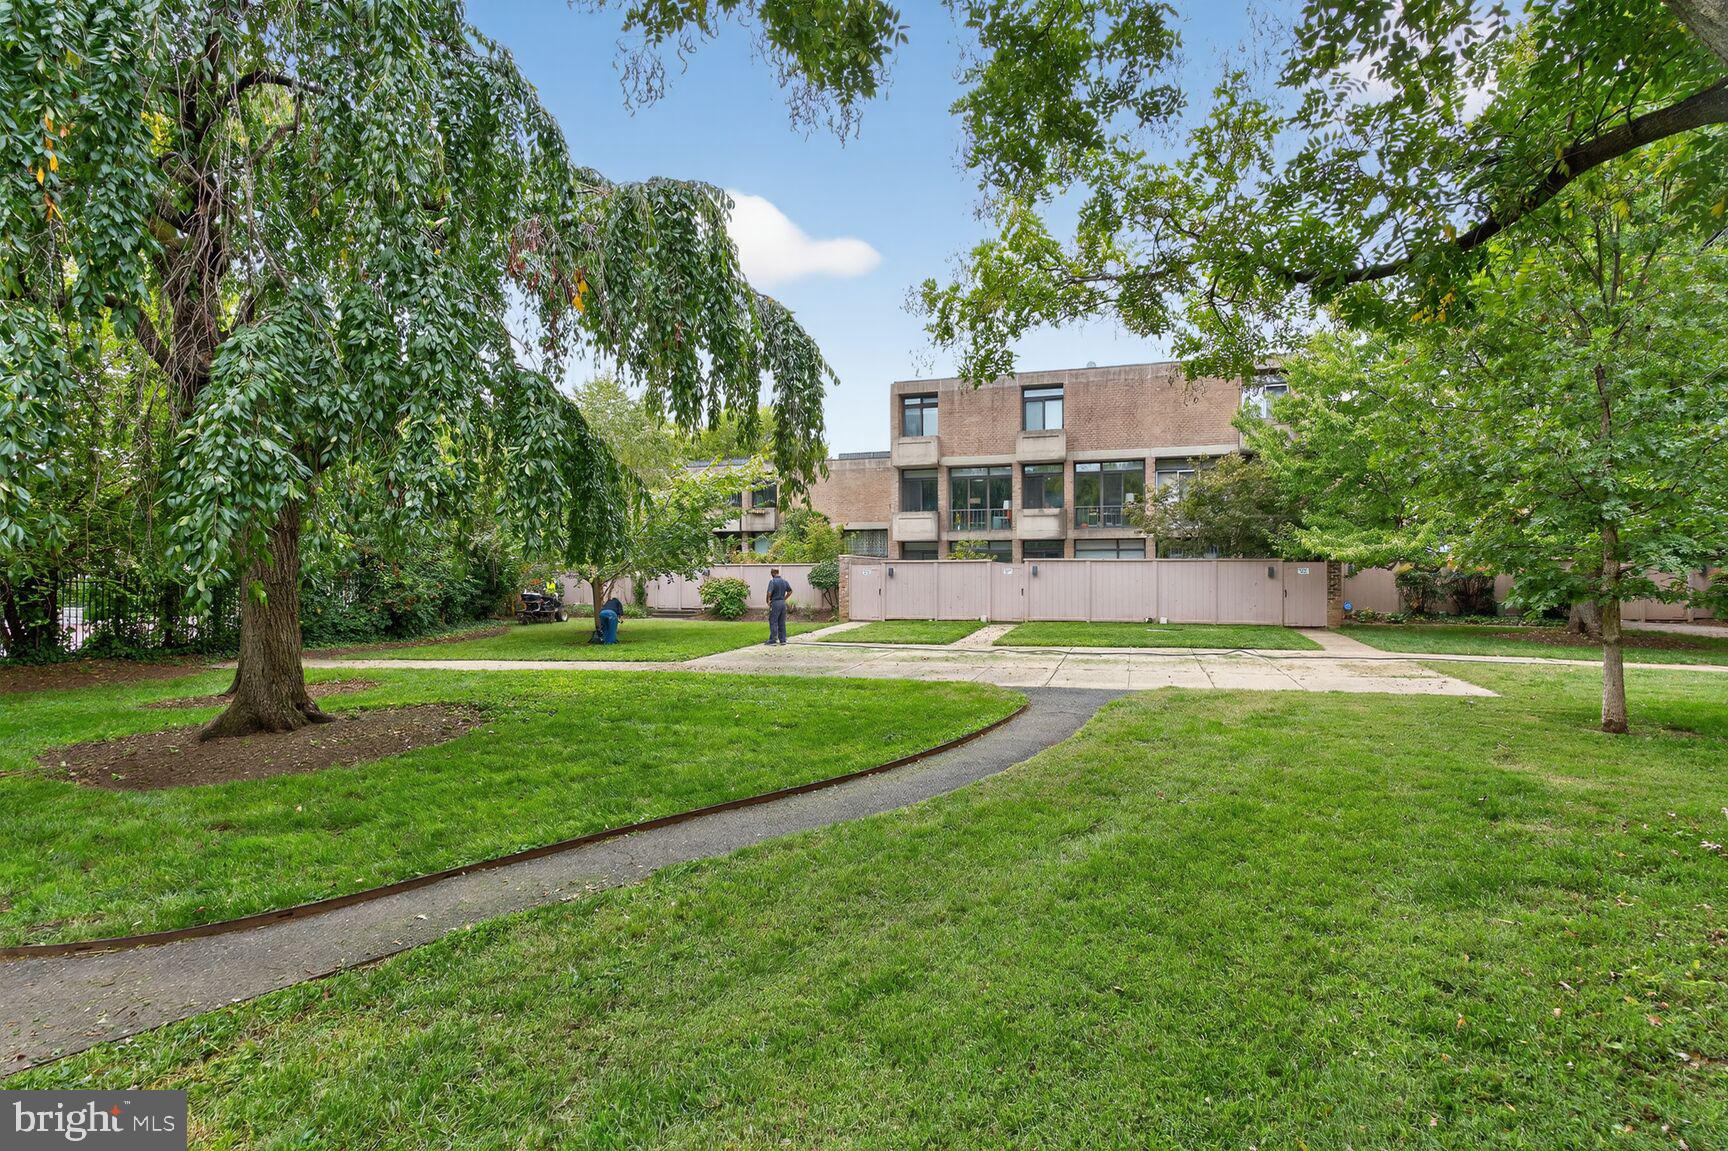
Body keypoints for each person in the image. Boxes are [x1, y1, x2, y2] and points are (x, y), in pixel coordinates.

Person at [765, 568, 792, 646]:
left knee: (773, 621)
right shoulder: (784, 581)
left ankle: (773, 640)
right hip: (783, 604)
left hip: (775, 603)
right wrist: (784, 598)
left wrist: (768, 601)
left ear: (773, 573)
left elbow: (769, 592)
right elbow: (790, 591)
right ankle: (783, 640)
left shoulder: (772, 581)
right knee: (781, 622)